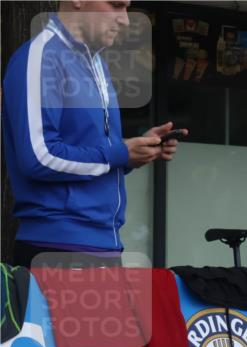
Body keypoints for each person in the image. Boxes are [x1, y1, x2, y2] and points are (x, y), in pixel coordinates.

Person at [2, 0, 186, 267]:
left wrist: (133, 153)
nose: (124, 19)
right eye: (115, 5)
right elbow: (38, 157)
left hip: (104, 244)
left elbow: (93, 152)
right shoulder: (41, 56)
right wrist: (119, 153)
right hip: (59, 246)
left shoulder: (96, 62)